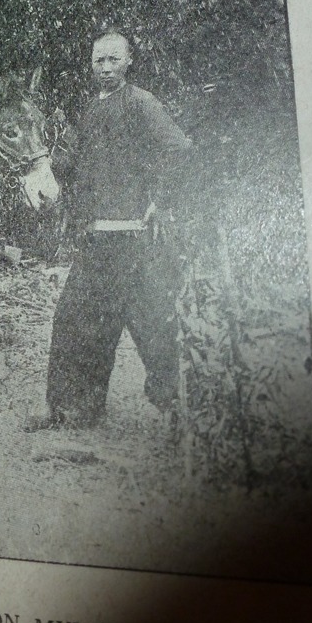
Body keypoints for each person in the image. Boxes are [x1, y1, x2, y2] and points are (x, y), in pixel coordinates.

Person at [26, 29, 192, 430]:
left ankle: (178, 407)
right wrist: (44, 171)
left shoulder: (141, 103)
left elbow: (178, 148)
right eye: (99, 60)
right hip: (95, 236)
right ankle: (72, 405)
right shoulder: (88, 110)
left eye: (113, 59)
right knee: (75, 319)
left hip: (133, 238)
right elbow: (76, 164)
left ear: (129, 61)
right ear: (91, 63)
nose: (105, 68)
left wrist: (159, 199)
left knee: (151, 323)